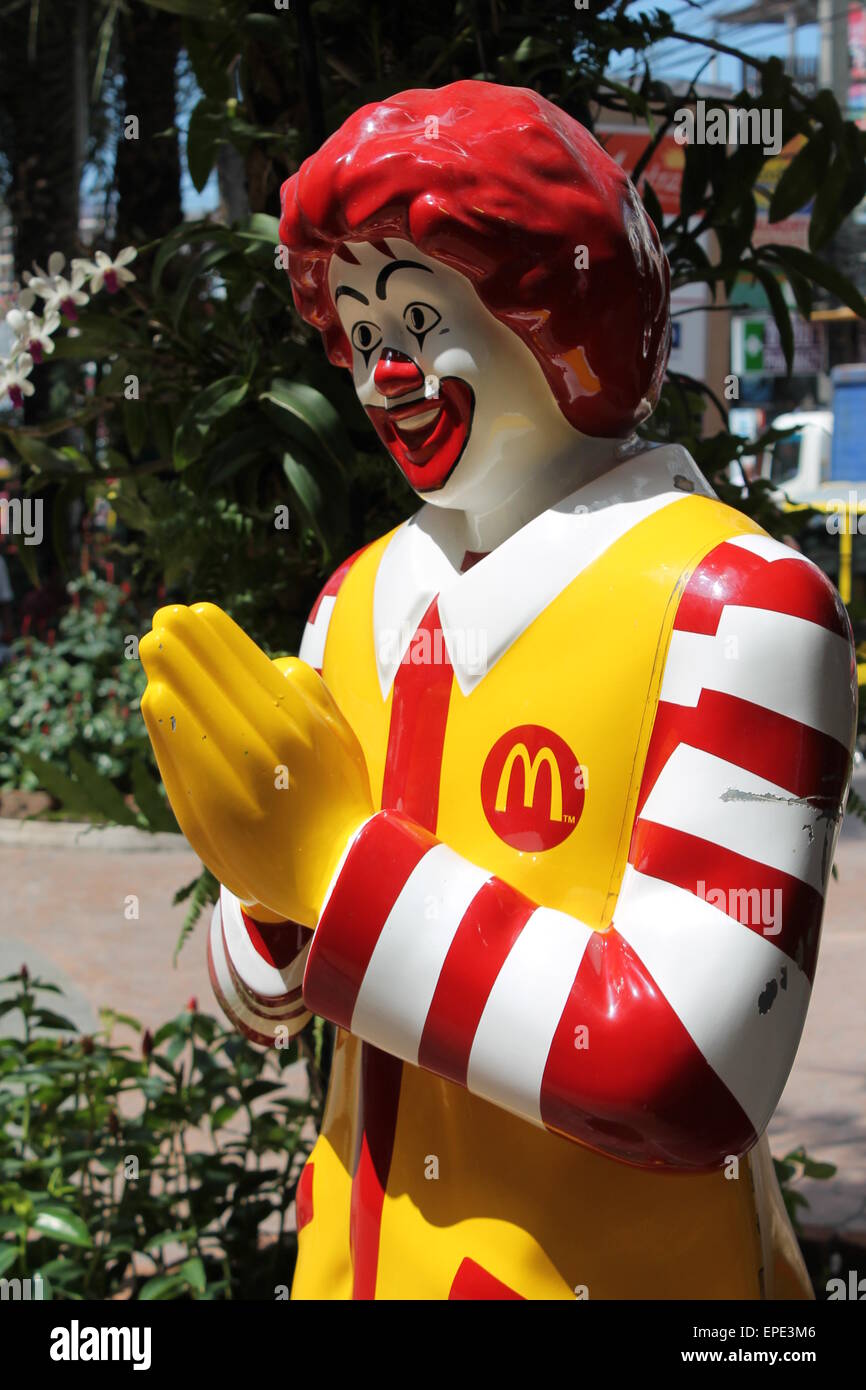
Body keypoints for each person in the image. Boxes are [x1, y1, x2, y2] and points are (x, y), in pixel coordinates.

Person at [140, 81, 856, 1300]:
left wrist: (325, 865)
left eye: (418, 317)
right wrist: (260, 895)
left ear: (559, 308)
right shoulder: (353, 600)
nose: (385, 378)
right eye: (361, 335)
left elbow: (686, 1069)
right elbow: (251, 999)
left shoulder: (738, 603)